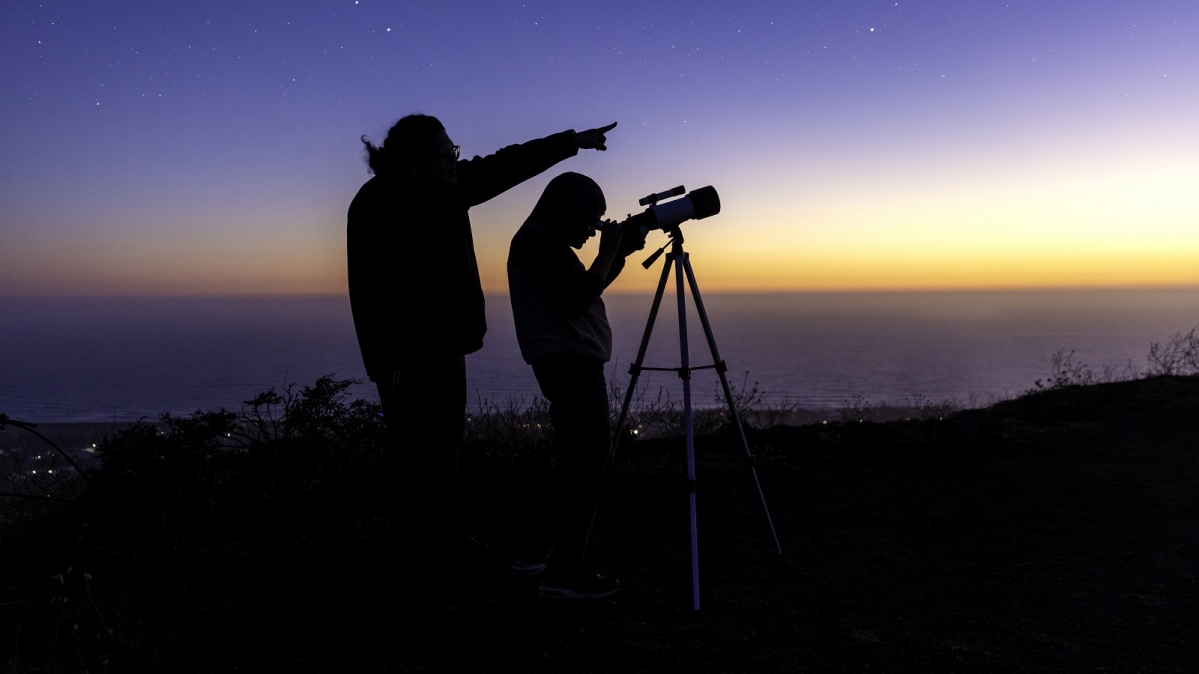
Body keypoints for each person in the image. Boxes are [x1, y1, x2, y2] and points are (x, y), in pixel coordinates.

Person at [347, 115, 617, 563]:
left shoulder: (450, 188)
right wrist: (385, 357)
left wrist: (571, 142)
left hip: (449, 342)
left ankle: (441, 542)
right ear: (412, 163)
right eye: (444, 155)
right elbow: (370, 289)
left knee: (446, 441)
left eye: (454, 152)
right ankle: (405, 550)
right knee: (408, 448)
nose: (455, 162)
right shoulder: (377, 203)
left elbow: (505, 164)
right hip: (405, 353)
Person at [506, 172, 646, 599]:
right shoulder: (536, 242)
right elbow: (574, 300)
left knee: (572, 463)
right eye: (590, 220)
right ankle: (565, 569)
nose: (592, 230)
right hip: (569, 365)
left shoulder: (543, 243)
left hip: (568, 363)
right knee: (588, 467)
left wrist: (616, 256)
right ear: (565, 209)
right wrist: (608, 253)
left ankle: (532, 555)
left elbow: (583, 289)